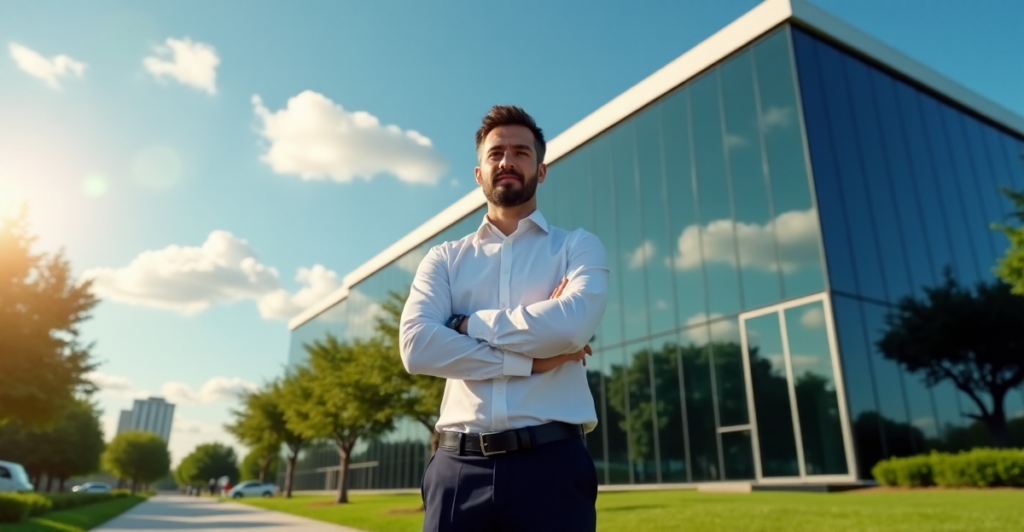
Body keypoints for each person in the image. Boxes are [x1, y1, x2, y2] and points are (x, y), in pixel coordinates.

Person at [400, 105, 608, 532]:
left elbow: (570, 327)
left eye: (521, 152)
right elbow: (417, 347)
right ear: (479, 173)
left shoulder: (578, 248)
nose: (507, 161)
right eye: (495, 153)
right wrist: (529, 360)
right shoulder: (444, 259)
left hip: (552, 467)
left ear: (542, 170)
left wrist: (465, 324)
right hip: (457, 470)